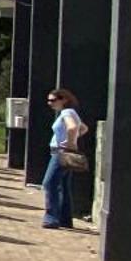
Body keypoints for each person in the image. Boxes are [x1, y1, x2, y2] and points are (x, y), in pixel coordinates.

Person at [41, 87, 87, 230]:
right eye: (48, 100)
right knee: (63, 186)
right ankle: (65, 219)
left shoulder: (66, 112)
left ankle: (51, 218)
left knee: (49, 183)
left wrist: (70, 143)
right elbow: (84, 128)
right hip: (62, 152)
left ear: (64, 100)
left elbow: (73, 128)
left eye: (53, 100)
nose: (50, 103)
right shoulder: (71, 113)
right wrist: (73, 140)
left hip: (60, 153)